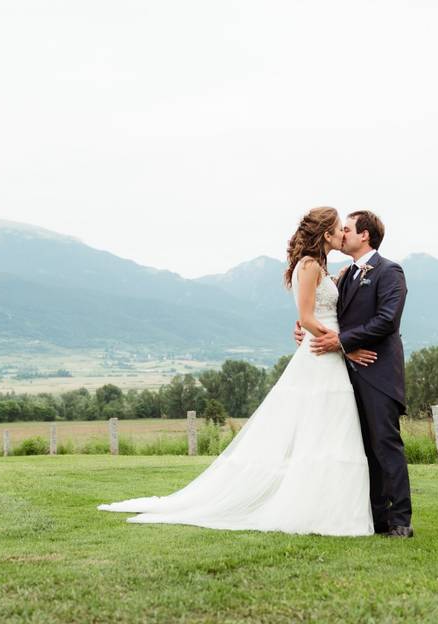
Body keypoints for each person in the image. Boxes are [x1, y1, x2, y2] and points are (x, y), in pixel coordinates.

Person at [97, 207, 378, 537]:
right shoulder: (310, 265)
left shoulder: (325, 267)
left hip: (326, 352)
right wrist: (344, 344)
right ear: (327, 234)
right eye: (339, 229)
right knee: (319, 429)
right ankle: (315, 510)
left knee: (329, 433)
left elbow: (319, 310)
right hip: (321, 353)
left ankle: (331, 508)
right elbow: (306, 318)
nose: (343, 234)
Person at [301, 210, 413, 537]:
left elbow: (388, 320)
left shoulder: (389, 271)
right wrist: (305, 330)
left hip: (379, 373)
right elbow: (326, 313)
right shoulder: (344, 275)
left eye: (347, 229)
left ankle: (400, 521)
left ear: (364, 235)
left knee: (385, 445)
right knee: (361, 448)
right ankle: (375, 518)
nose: (341, 234)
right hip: (347, 374)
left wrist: (342, 340)